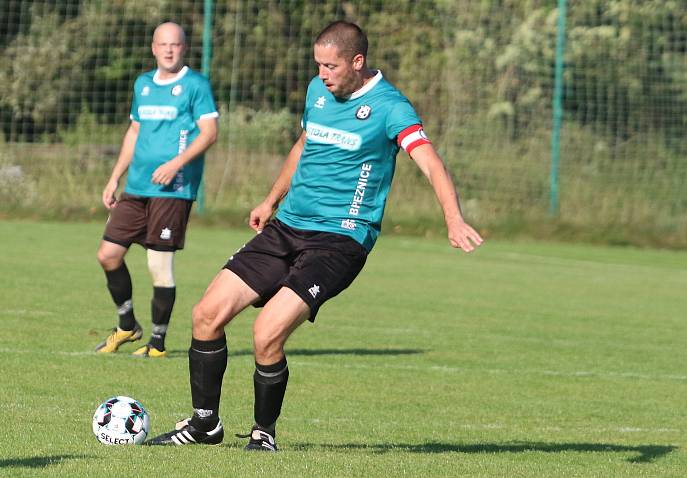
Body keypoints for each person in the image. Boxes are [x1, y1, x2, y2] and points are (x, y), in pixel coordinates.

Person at [146, 21, 482, 450]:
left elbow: (431, 163)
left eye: (331, 66)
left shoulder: (390, 107)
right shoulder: (317, 92)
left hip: (340, 240)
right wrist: (270, 200)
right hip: (288, 226)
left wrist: (453, 219)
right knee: (206, 315)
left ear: (357, 62)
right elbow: (305, 145)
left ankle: (263, 434)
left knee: (267, 333)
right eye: (318, 65)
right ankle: (204, 425)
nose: (323, 74)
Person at [95, 22, 219, 358]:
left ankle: (158, 342)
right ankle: (126, 325)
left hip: (174, 189)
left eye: (175, 45)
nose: (169, 50)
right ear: (153, 48)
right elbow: (134, 132)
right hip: (137, 186)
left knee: (158, 264)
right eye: (163, 44)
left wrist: (176, 164)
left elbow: (209, 133)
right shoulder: (144, 84)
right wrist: (114, 177)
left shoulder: (195, 85)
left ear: (184, 48)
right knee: (108, 254)